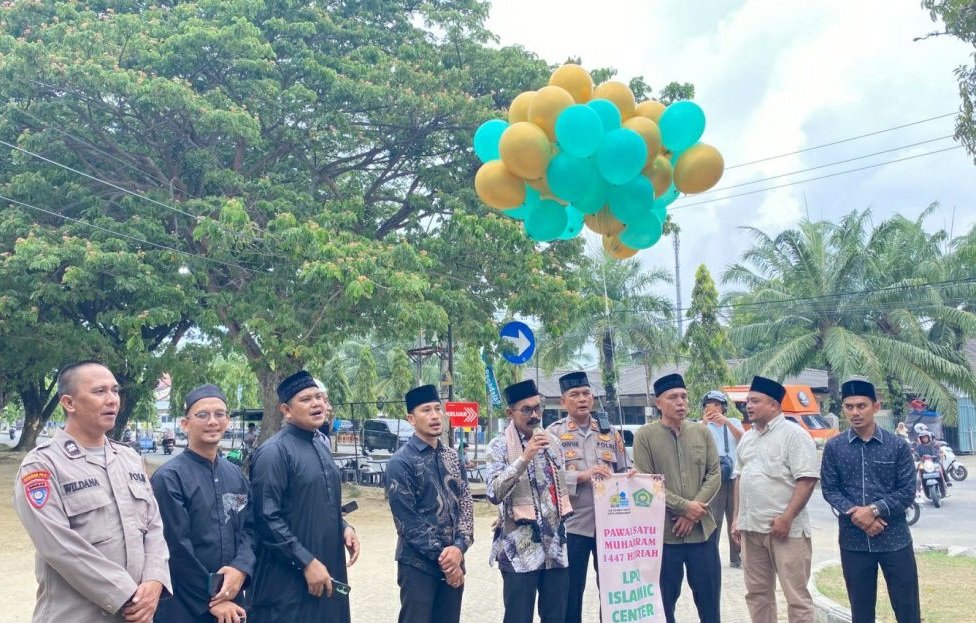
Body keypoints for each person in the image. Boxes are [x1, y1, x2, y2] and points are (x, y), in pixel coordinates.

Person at [13, 360, 171, 622]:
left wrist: (155, 579)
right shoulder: (42, 466)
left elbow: (153, 526)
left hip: (137, 614)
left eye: (115, 390)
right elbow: (59, 546)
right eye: (99, 391)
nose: (112, 400)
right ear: (69, 403)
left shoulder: (129, 458)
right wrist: (127, 594)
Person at [248, 370, 361, 623]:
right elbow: (266, 518)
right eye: (306, 399)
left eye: (319, 397)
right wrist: (306, 562)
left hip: (327, 569)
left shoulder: (321, 444)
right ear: (286, 411)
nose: (316, 403)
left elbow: (320, 501)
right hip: (287, 581)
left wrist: (344, 526)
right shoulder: (273, 453)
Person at [151, 384, 256, 623]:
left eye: (219, 414)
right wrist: (213, 600)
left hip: (233, 601)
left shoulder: (236, 475)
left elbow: (250, 529)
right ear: (185, 423)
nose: (212, 421)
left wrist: (241, 568)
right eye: (202, 415)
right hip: (185, 605)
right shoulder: (169, 478)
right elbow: (176, 548)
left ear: (228, 421)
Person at [820, 380, 920, 623]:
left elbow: (907, 490)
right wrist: (859, 516)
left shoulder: (897, 446)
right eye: (849, 407)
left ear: (876, 406)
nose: (855, 412)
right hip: (853, 542)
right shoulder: (834, 447)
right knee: (861, 612)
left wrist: (874, 510)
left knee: (907, 608)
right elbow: (830, 489)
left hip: (894, 539)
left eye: (861, 406)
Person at [633, 374, 721, 623]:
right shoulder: (645, 436)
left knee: (710, 603)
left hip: (702, 532)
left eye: (684, 396)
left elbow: (714, 474)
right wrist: (685, 507)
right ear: (658, 403)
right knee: (663, 604)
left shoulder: (702, 432)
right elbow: (646, 482)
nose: (680, 402)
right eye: (673, 397)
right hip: (664, 536)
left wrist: (692, 513)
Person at [731, 376, 819, 623]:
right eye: (748, 401)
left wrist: (787, 518)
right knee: (757, 595)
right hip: (751, 529)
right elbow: (740, 477)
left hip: (785, 531)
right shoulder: (747, 438)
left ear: (774, 405)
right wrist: (737, 518)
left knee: (796, 597)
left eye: (755, 401)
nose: (748, 406)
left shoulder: (795, 435)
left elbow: (807, 480)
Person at [385, 384, 474, 623]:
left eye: (437, 409)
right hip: (418, 566)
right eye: (426, 410)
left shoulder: (452, 457)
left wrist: (459, 548)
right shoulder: (401, 462)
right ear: (411, 419)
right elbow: (407, 522)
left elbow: (466, 505)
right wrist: (447, 562)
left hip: (455, 558)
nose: (435, 416)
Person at [546, 371, 629, 623]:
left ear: (592, 397)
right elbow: (547, 479)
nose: (582, 399)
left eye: (586, 394)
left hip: (610, 526)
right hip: (573, 525)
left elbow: (624, 469)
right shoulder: (553, 434)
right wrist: (581, 476)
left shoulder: (610, 432)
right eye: (575, 395)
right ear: (563, 402)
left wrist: (631, 476)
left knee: (613, 589)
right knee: (571, 591)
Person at [488, 379, 573, 623]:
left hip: (555, 549)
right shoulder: (499, 446)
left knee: (556, 617)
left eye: (538, 408)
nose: (535, 415)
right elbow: (494, 493)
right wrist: (524, 457)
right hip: (520, 551)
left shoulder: (553, 443)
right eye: (526, 410)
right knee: (518, 618)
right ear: (510, 413)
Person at [701, 389, 744, 569]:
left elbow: (743, 439)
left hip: (734, 477)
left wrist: (726, 422)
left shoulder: (734, 422)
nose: (713, 408)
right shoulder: (702, 426)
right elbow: (697, 443)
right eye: (709, 405)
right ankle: (712, 556)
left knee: (736, 517)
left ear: (724, 407)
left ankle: (737, 557)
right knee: (715, 519)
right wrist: (705, 422)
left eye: (717, 405)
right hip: (714, 479)